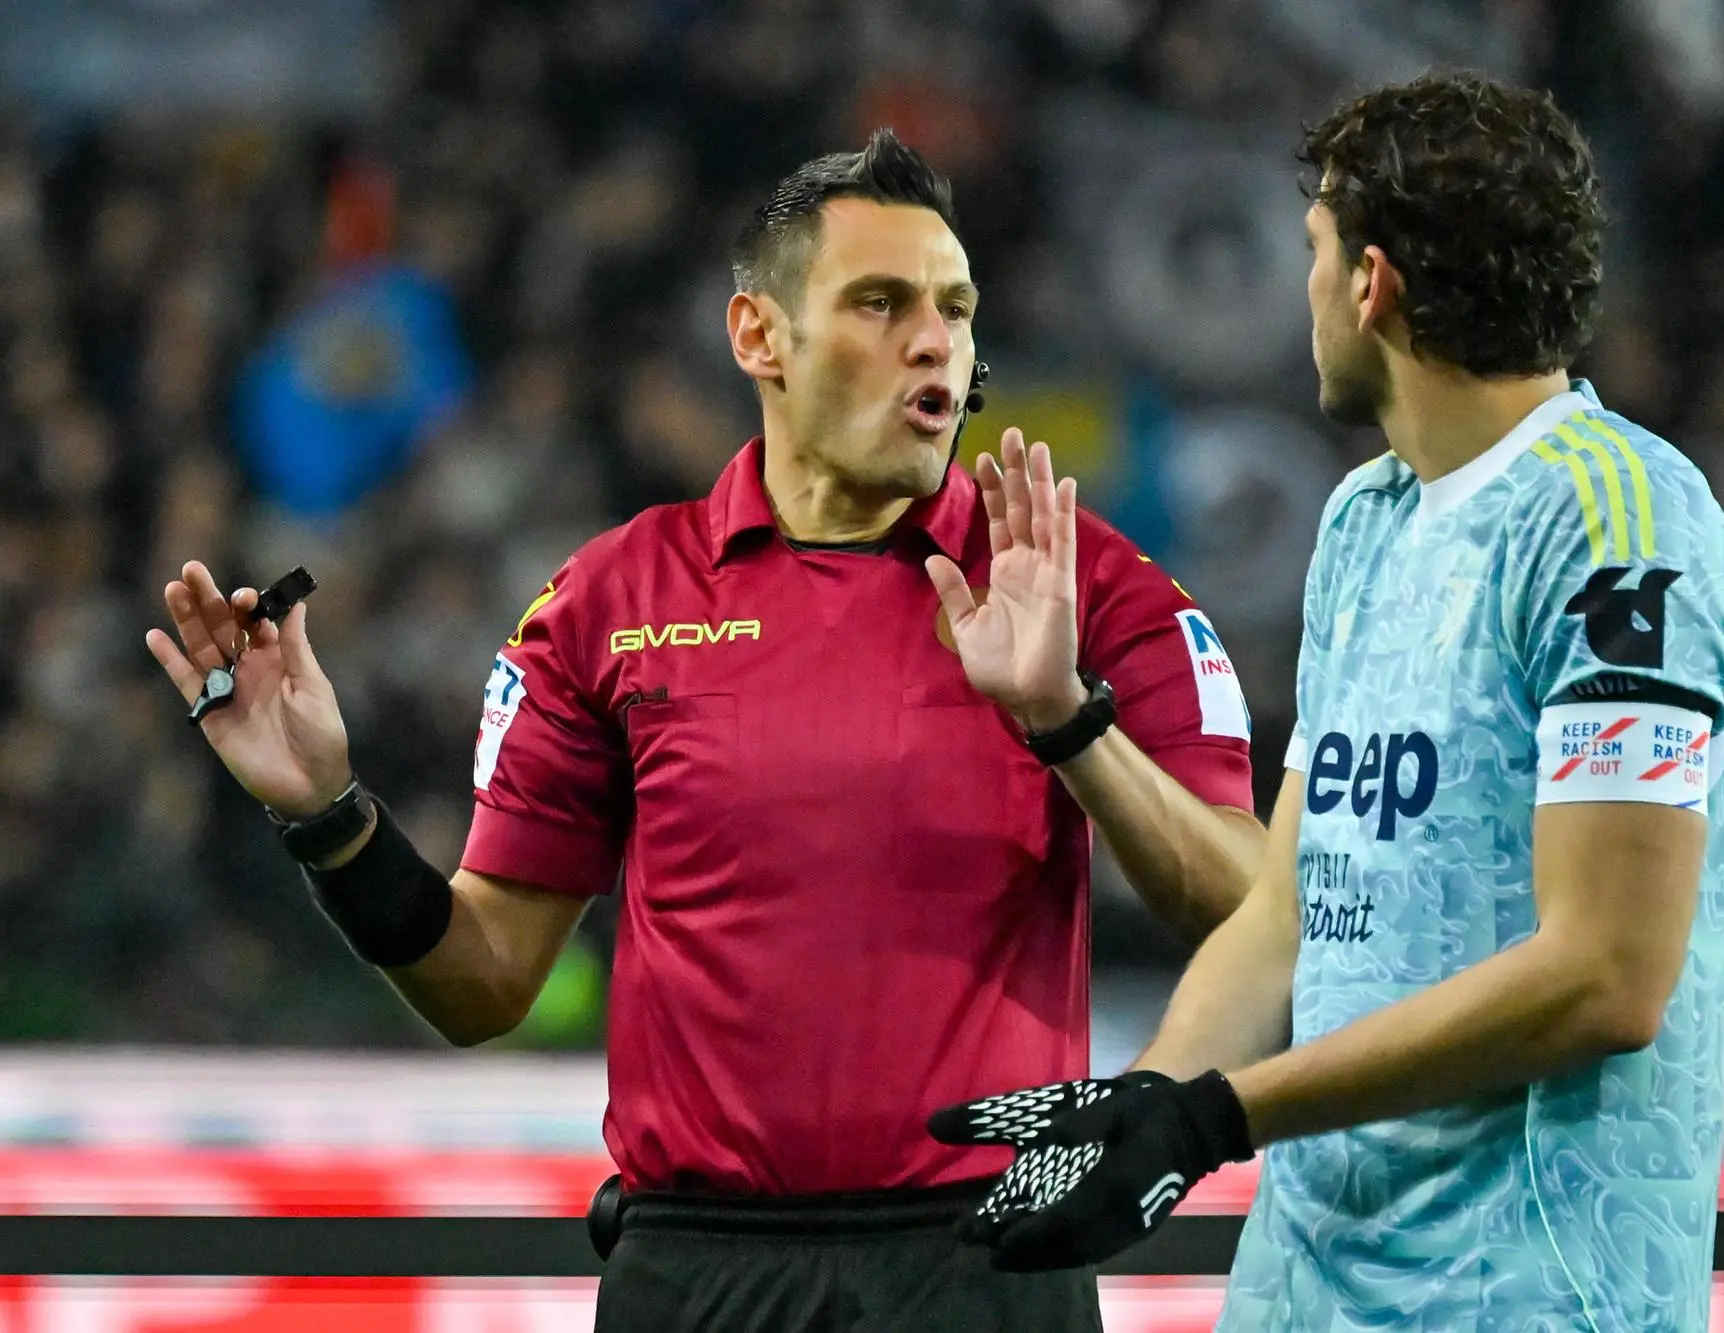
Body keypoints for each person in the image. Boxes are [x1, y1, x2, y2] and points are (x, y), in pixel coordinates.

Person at [144, 129, 1265, 1333]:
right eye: (880, 303)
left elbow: (1253, 905)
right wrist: (327, 815)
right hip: (695, 1271)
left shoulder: (1085, 586)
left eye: (954, 307)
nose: (934, 340)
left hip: (988, 1261)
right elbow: (484, 984)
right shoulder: (607, 602)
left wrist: (1062, 716)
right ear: (757, 337)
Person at [930, 73, 1724, 1333]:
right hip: (1309, 1288)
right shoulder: (1364, 520)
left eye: (1314, 254)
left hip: (1525, 1295)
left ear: (1372, 284)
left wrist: (1219, 1114)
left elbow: (1606, 972)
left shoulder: (1616, 529)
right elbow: (1292, 904)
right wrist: (1142, 1106)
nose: (1304, 294)